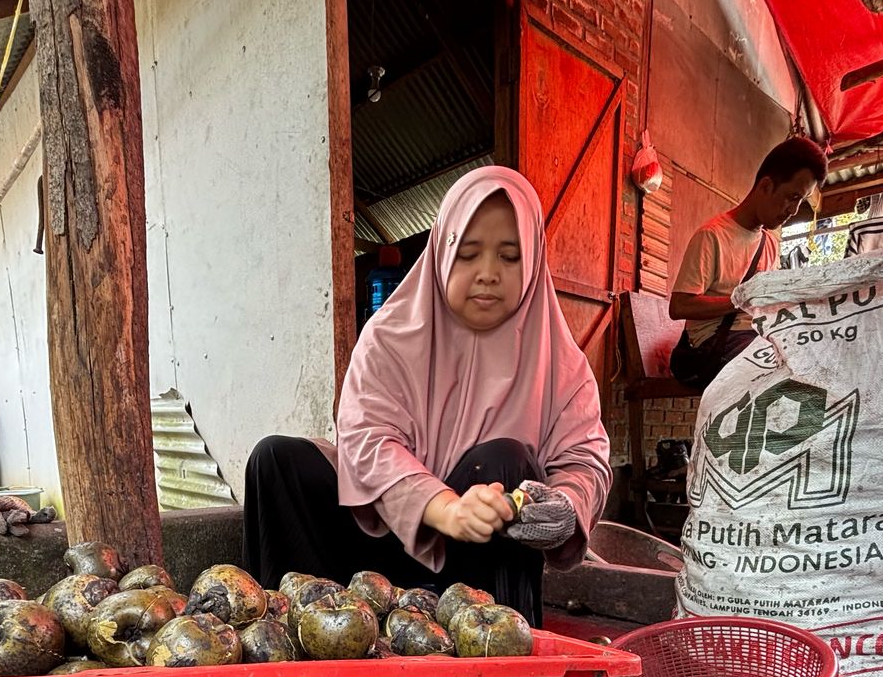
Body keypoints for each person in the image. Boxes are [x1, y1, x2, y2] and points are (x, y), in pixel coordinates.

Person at [242, 166, 611, 627]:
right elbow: (367, 437)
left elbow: (584, 459)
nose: (488, 274)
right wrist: (444, 508)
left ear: (534, 261)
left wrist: (567, 505)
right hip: (380, 544)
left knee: (505, 462)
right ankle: (304, 639)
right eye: (469, 254)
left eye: (510, 256)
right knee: (276, 459)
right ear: (441, 252)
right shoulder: (391, 336)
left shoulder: (562, 363)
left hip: (474, 570)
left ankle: (498, 672)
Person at [668, 136, 828, 392]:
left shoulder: (771, 244)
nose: (794, 210)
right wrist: (743, 299)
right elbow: (679, 306)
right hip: (709, 349)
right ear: (765, 186)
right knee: (771, 371)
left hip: (754, 338)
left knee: (814, 357)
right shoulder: (713, 236)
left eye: (802, 200)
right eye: (792, 196)